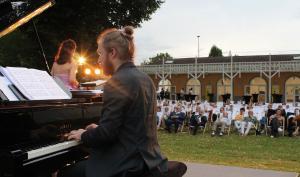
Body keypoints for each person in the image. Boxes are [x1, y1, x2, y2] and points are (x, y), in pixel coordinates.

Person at [59, 26, 186, 177]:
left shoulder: (117, 82)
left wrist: (83, 135)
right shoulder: (145, 79)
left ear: (112, 52)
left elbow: (107, 135)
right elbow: (133, 124)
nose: (98, 60)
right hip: (150, 160)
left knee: (65, 173)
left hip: (127, 166)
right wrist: (98, 128)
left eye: (100, 53)